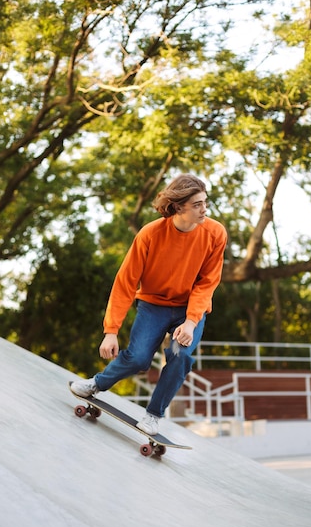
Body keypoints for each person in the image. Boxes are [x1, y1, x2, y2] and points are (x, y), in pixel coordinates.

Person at [70, 174, 227, 435]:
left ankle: (154, 415)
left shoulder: (214, 233)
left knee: (180, 356)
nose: (204, 210)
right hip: (154, 305)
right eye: (197, 204)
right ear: (178, 207)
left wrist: (190, 321)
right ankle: (97, 384)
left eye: (205, 202)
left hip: (190, 308)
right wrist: (111, 331)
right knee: (138, 358)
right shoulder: (151, 234)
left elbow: (208, 282)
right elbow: (125, 282)